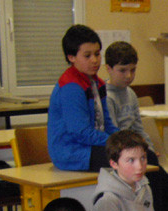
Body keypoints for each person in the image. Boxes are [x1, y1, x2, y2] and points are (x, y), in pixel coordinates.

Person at [104, 40, 168, 211]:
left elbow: (139, 127)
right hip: (122, 154)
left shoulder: (130, 94)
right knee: (154, 185)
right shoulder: (106, 96)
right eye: (123, 70)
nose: (129, 76)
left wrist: (149, 147)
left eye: (133, 70)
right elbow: (113, 135)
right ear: (109, 69)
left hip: (137, 151)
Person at [47, 25, 118, 172]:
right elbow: (80, 132)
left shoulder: (98, 83)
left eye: (97, 54)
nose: (94, 60)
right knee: (132, 159)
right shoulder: (71, 87)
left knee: (142, 155)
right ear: (71, 57)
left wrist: (124, 139)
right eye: (87, 55)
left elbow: (107, 123)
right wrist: (116, 143)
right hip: (73, 153)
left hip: (92, 146)